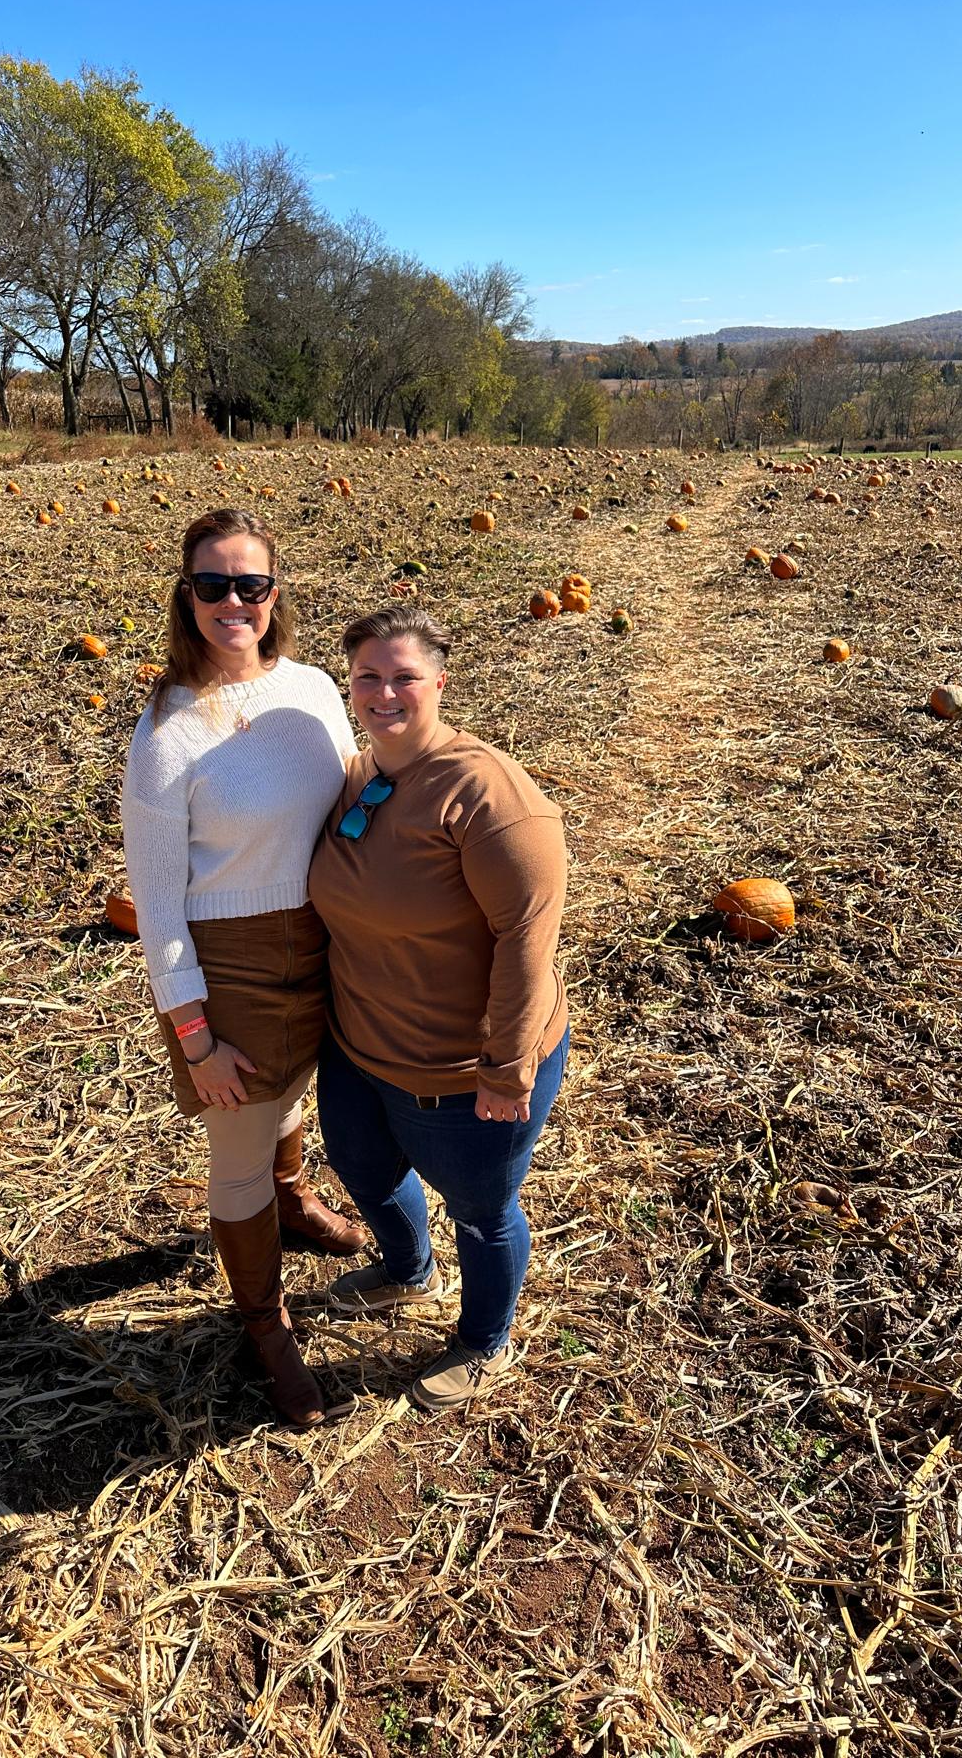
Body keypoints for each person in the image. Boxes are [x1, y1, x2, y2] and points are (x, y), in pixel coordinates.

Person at [121, 508, 367, 1430]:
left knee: (292, 1097)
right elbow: (159, 911)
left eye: (250, 584)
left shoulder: (309, 688)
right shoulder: (166, 735)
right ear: (186, 596)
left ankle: (294, 1199)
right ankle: (263, 1324)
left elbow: (353, 789)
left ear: (274, 595)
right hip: (233, 964)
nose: (234, 601)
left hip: (328, 935)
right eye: (212, 584)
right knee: (238, 1141)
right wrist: (196, 1039)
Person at [307, 604, 570, 1411]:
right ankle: (406, 1270)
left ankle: (486, 1340)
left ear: (440, 683)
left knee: (484, 1213)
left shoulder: (488, 796)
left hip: (462, 1067)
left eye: (404, 677)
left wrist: (506, 1068)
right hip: (360, 1045)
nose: (385, 692)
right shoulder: (358, 774)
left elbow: (528, 941)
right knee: (362, 1167)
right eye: (368, 677)